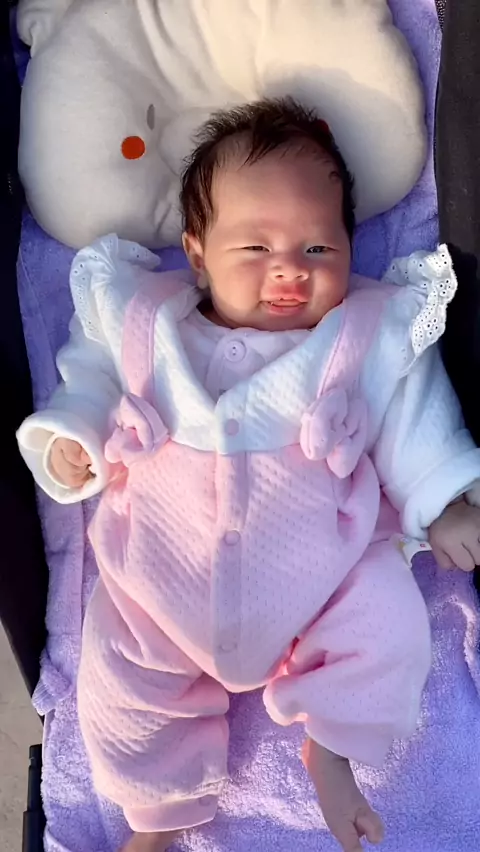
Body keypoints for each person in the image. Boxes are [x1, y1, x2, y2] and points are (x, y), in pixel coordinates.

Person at [17, 98, 480, 852]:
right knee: (119, 676)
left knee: (386, 622)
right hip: (160, 576)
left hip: (321, 569)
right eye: (255, 247)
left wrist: (446, 500)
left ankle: (331, 749)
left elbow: (414, 418)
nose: (290, 268)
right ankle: (157, 817)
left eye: (318, 247)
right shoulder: (144, 321)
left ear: (349, 248)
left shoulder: (363, 334)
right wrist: (76, 434)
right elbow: (92, 377)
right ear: (197, 253)